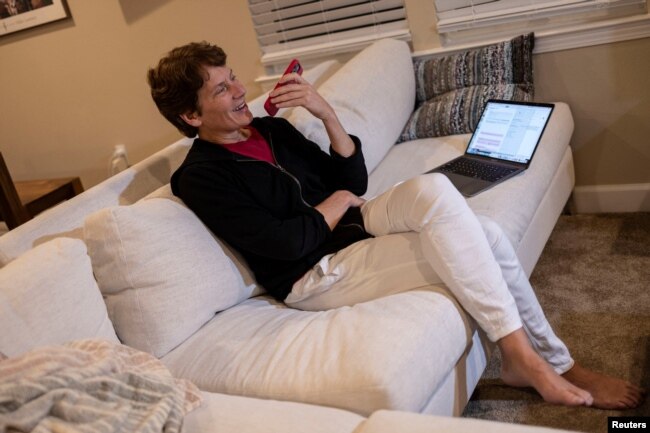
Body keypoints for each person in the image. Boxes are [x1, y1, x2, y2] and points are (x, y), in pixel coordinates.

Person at [147, 41, 645, 410]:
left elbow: (352, 176)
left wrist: (325, 113)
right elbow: (285, 242)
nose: (239, 92)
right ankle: (543, 362)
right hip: (312, 272)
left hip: (356, 225)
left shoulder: (270, 129)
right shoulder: (200, 178)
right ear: (191, 115)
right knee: (485, 239)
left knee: (439, 195)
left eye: (233, 77)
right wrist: (340, 202)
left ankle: (531, 360)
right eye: (221, 89)